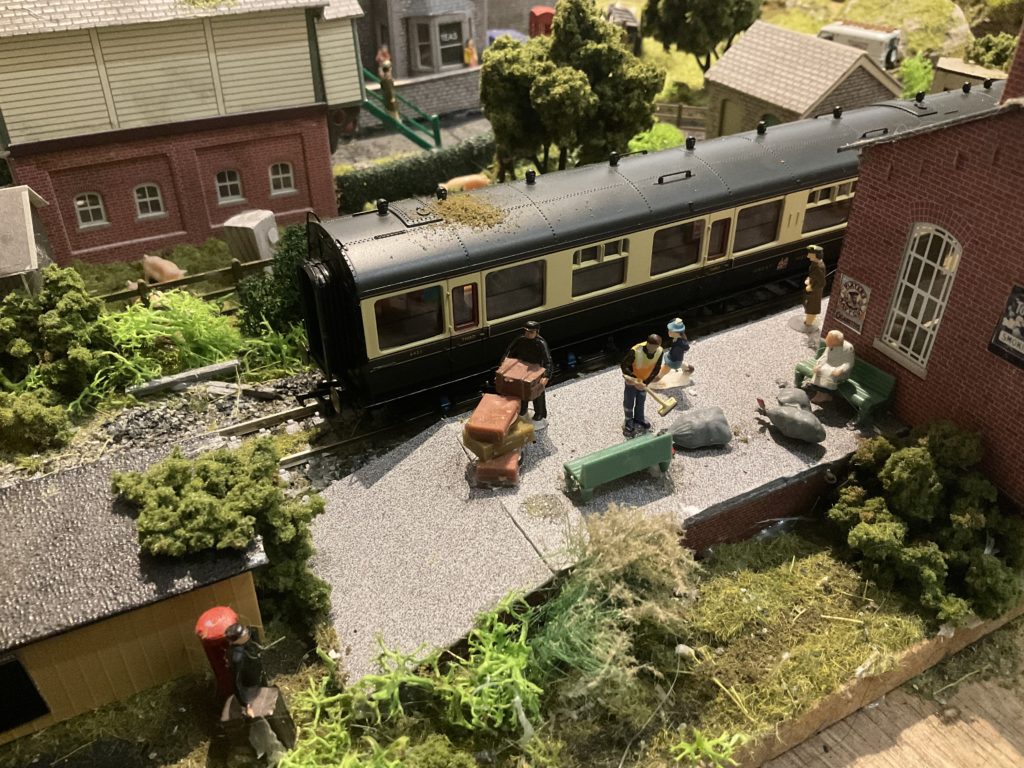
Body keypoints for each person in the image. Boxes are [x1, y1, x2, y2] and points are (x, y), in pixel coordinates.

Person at [501, 320, 552, 430]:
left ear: (537, 332)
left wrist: (546, 376)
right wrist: (505, 366)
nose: (528, 334)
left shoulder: (540, 343)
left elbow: (548, 361)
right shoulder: (520, 340)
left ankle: (539, 414)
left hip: (536, 372)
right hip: (521, 370)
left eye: (531, 332)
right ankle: (523, 410)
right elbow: (509, 353)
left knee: (537, 394)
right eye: (527, 331)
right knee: (521, 392)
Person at [620, 334, 666, 437]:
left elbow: (656, 368)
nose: (654, 349)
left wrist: (646, 382)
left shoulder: (659, 351)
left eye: (656, 347)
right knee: (629, 401)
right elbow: (624, 365)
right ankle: (628, 421)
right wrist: (634, 379)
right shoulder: (636, 351)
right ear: (647, 344)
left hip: (644, 382)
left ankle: (639, 418)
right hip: (631, 382)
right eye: (652, 347)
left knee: (641, 401)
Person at [225, 623, 267, 719]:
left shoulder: (246, 643)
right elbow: (237, 678)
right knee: (253, 702)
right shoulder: (237, 657)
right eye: (244, 634)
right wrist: (245, 703)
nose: (247, 633)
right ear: (237, 640)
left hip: (256, 674)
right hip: (249, 684)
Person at [806, 329, 855, 403]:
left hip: (840, 370)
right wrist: (819, 365)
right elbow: (825, 356)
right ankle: (819, 394)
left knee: (829, 374)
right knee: (819, 371)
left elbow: (848, 363)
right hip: (828, 365)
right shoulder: (831, 345)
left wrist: (840, 370)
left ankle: (825, 395)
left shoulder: (848, 348)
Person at [653, 317, 693, 389]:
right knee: (683, 365)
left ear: (677, 332)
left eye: (670, 331)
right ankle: (689, 370)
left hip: (672, 361)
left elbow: (686, 347)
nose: (668, 332)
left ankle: (649, 383)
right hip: (675, 359)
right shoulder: (678, 339)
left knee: (660, 374)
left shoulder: (680, 343)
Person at [803, 245, 826, 329]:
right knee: (809, 304)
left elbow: (822, 283)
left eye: (810, 254)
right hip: (812, 287)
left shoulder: (819, 267)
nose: (808, 256)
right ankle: (808, 320)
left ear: (816, 255)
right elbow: (813, 275)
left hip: (815, 291)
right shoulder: (815, 263)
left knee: (812, 307)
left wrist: (812, 287)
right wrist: (809, 279)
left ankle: (809, 323)